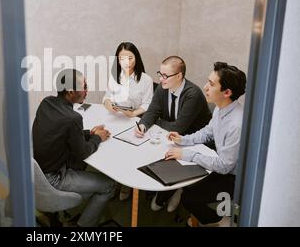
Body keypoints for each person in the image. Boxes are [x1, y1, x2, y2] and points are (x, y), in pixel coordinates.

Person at [165, 62, 246, 227]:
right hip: (222, 162)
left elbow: (224, 167)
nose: (205, 86)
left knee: (190, 199)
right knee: (186, 182)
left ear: (227, 92)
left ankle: (219, 220)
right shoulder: (220, 108)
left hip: (234, 177)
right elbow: (208, 132)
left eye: (211, 83)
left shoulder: (236, 125)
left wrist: (187, 154)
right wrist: (183, 139)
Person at [33, 68, 115, 227]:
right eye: (84, 86)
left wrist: (89, 133)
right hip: (53, 179)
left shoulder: (47, 102)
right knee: (109, 186)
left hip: (36, 172)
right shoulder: (73, 118)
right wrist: (98, 137)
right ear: (71, 92)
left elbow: (60, 133)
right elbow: (82, 153)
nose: (87, 90)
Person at [135, 56, 212, 212]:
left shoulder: (193, 94)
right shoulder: (163, 88)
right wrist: (143, 125)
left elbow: (178, 127)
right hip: (172, 138)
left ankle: (179, 189)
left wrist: (154, 123)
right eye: (160, 74)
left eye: (165, 76)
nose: (161, 79)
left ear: (179, 76)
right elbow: (153, 111)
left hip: (196, 142)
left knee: (162, 153)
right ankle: (164, 188)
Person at [103, 42, 154, 201]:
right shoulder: (115, 76)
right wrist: (108, 104)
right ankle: (113, 179)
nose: (126, 62)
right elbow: (106, 97)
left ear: (136, 58)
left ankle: (127, 184)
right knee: (110, 149)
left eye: (130, 58)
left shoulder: (146, 80)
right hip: (116, 117)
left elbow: (148, 104)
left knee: (128, 153)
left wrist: (133, 114)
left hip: (135, 120)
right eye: (122, 58)